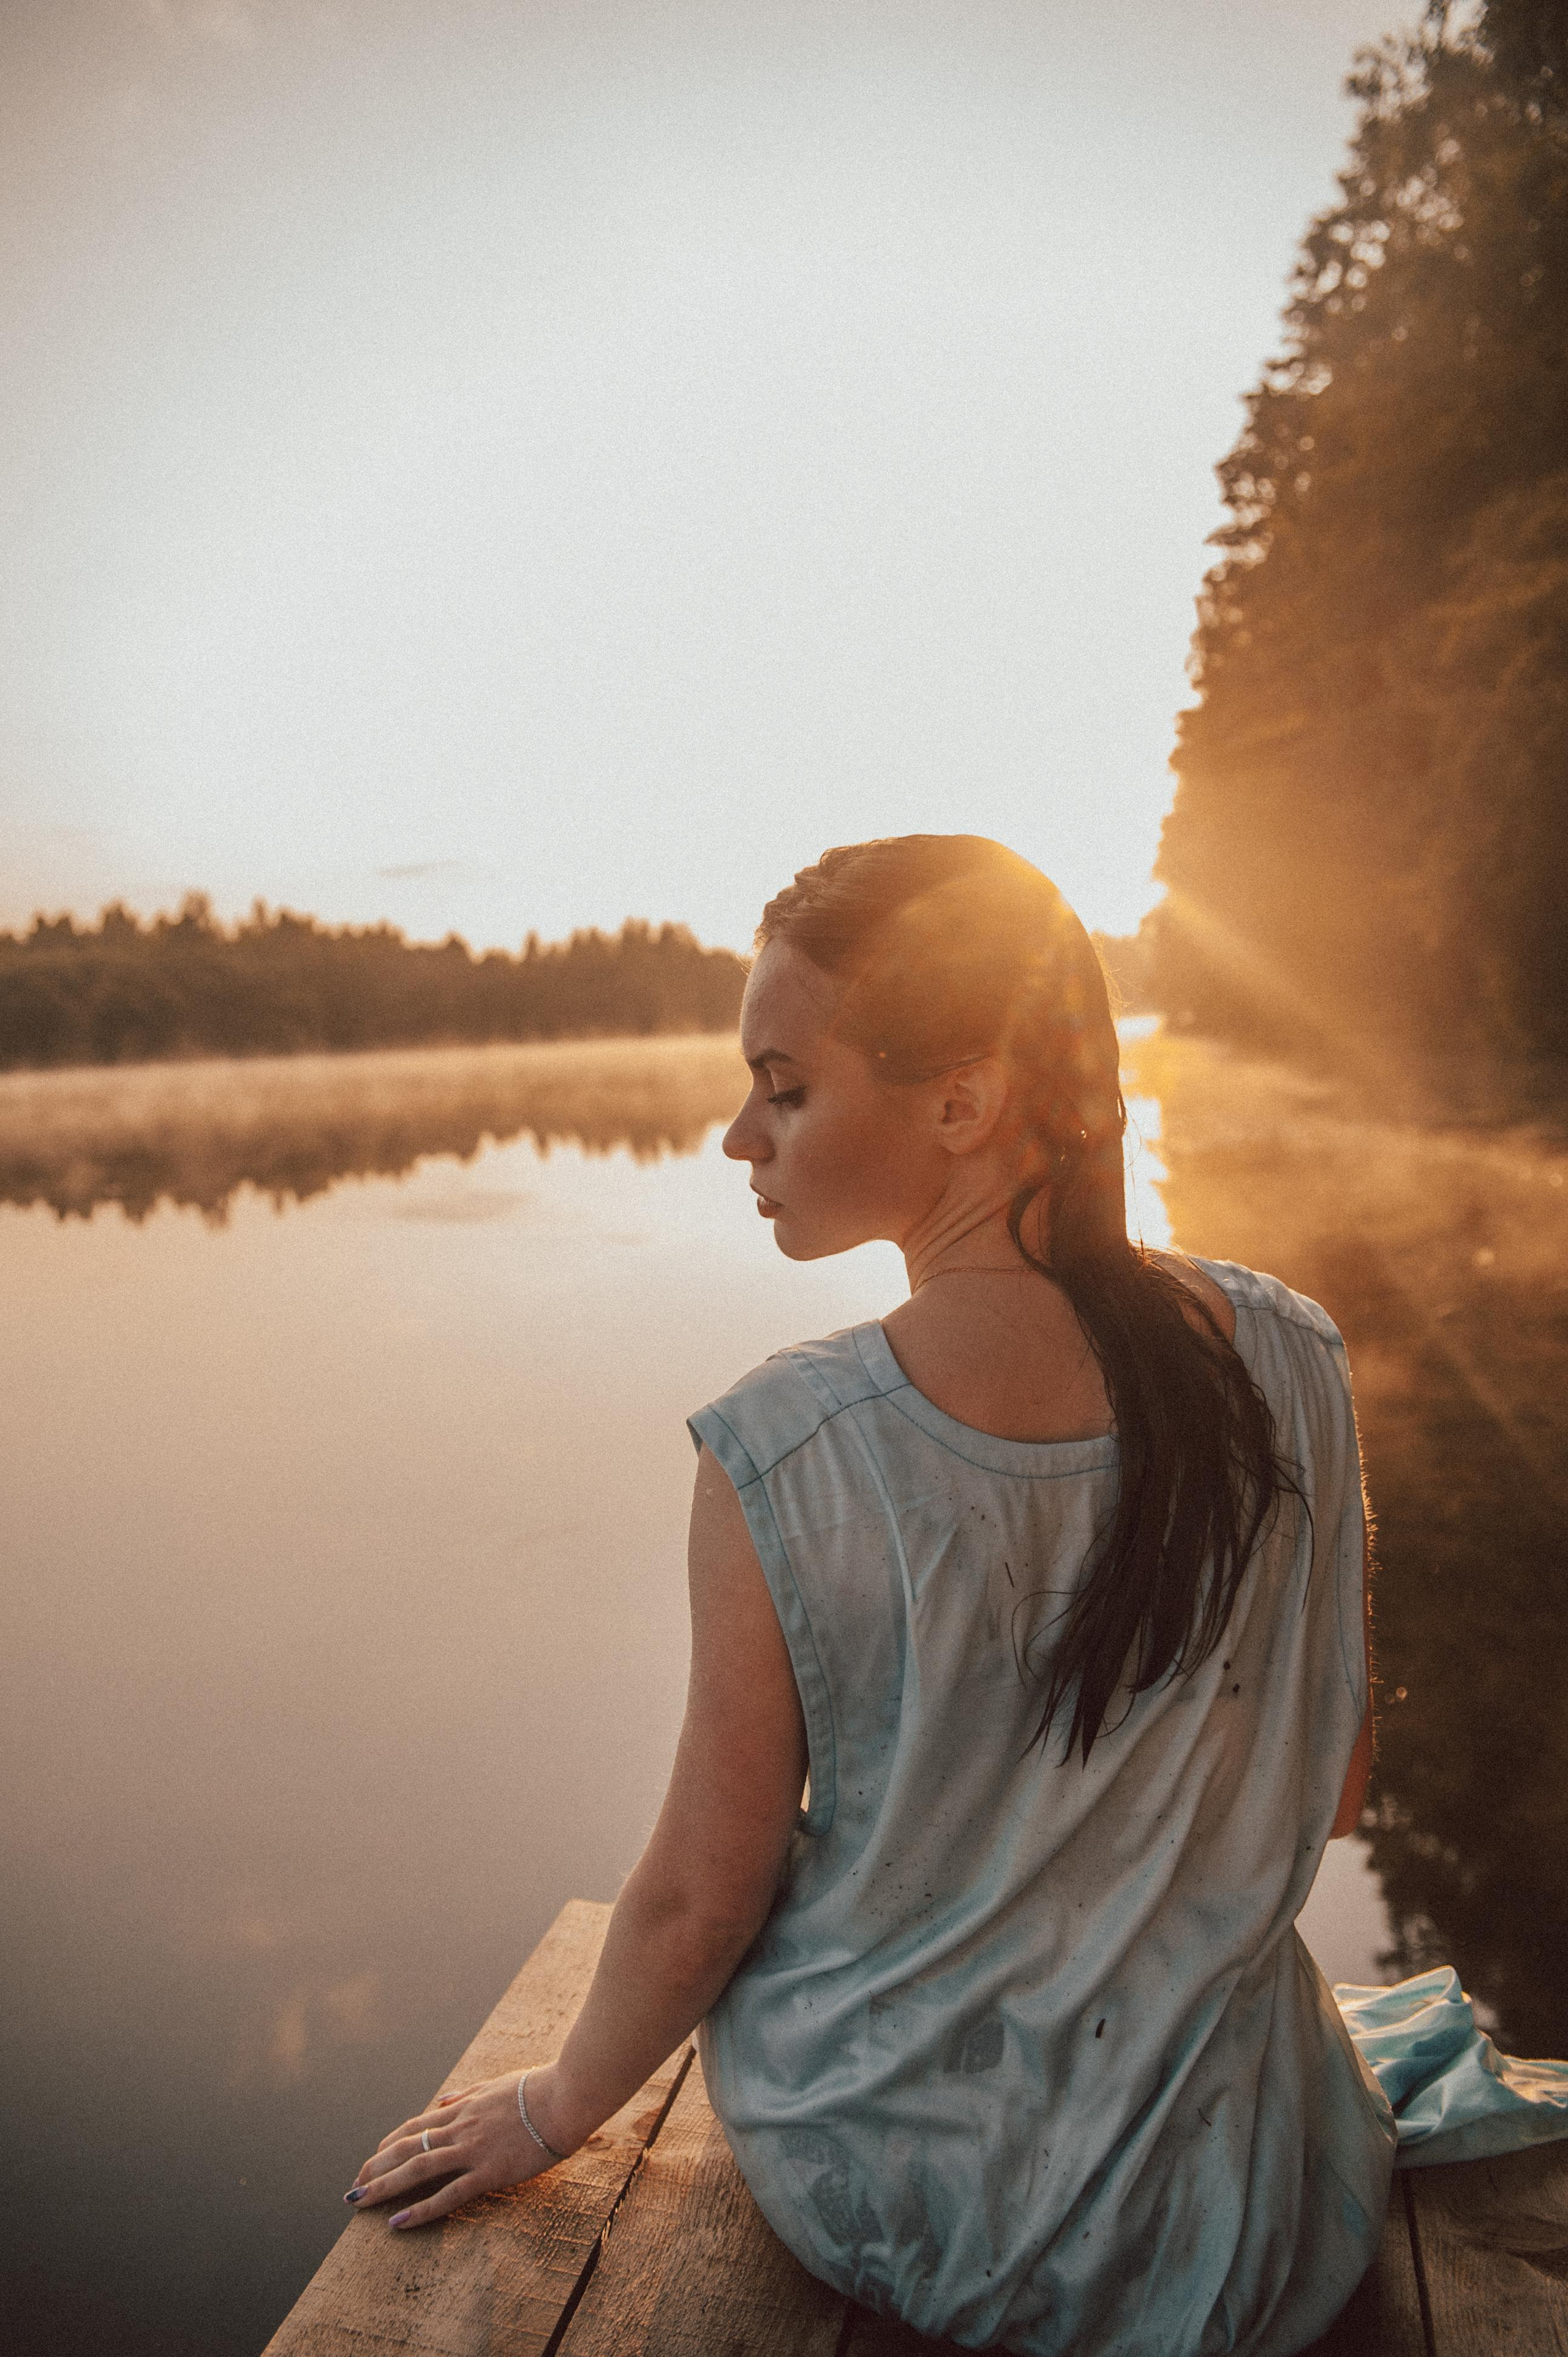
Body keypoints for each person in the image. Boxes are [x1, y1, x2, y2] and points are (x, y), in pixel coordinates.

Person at [341, 834, 1400, 2352]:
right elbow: (1340, 1784)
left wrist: (550, 2106)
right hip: (1247, 2208)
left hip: (914, 2205)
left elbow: (703, 1898)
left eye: (783, 1084)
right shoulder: (1290, 1355)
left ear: (962, 1101)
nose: (736, 1137)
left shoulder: (790, 1449)